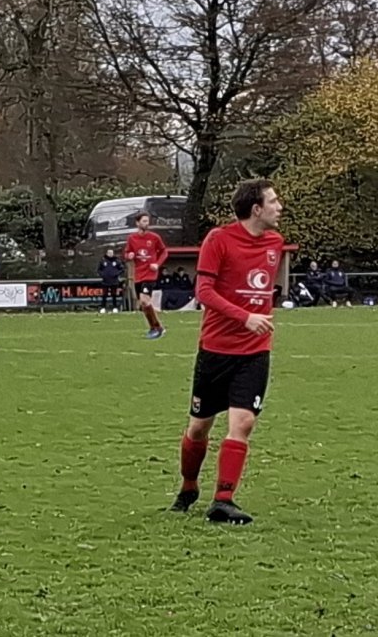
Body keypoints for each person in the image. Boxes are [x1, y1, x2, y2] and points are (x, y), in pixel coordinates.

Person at [170, 178, 285, 525]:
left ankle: (223, 499)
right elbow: (203, 292)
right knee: (199, 429)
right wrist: (245, 316)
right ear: (256, 209)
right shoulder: (218, 240)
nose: (280, 207)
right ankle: (189, 486)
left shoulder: (275, 243)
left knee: (243, 422)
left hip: (254, 351)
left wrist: (258, 315)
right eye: (274, 201)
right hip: (216, 351)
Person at [124, 212, 169, 339]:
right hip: (139, 274)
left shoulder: (154, 237)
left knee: (144, 300)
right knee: (143, 304)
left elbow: (164, 252)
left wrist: (157, 264)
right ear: (137, 223)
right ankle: (154, 327)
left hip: (150, 274)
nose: (146, 223)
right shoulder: (132, 238)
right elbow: (126, 253)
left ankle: (157, 327)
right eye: (143, 221)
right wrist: (129, 256)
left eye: (147, 221)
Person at [97, 249, 125, 314]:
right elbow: (99, 270)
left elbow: (122, 269)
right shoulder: (103, 261)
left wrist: (116, 274)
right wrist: (103, 275)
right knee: (104, 295)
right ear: (107, 253)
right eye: (109, 253)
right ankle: (103, 307)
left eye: (111, 253)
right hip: (105, 281)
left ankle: (115, 307)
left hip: (114, 281)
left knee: (114, 294)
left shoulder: (116, 261)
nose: (110, 254)